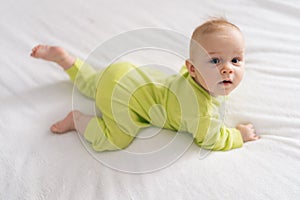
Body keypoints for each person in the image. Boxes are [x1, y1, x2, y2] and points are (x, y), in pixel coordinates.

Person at [31, 18, 260, 152]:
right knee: (115, 140)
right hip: (122, 99)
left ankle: (67, 61)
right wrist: (238, 135)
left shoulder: (190, 75)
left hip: (125, 72)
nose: (227, 68)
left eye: (236, 60)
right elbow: (211, 139)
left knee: (92, 84)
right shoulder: (202, 113)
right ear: (192, 68)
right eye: (215, 61)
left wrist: (212, 69)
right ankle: (78, 121)